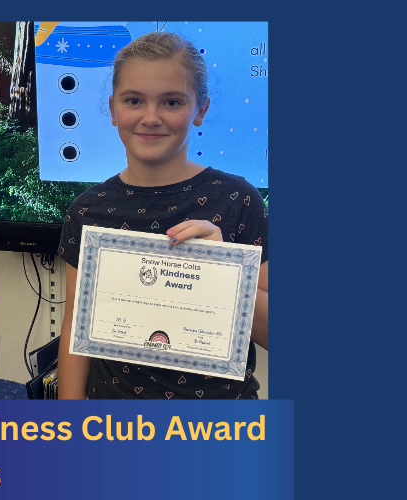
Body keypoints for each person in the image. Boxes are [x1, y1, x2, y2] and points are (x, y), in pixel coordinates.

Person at [56, 32, 269, 400]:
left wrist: (223, 269)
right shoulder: (87, 210)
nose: (151, 117)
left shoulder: (239, 201)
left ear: (200, 109)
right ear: (113, 109)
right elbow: (77, 329)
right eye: (134, 100)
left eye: (171, 102)